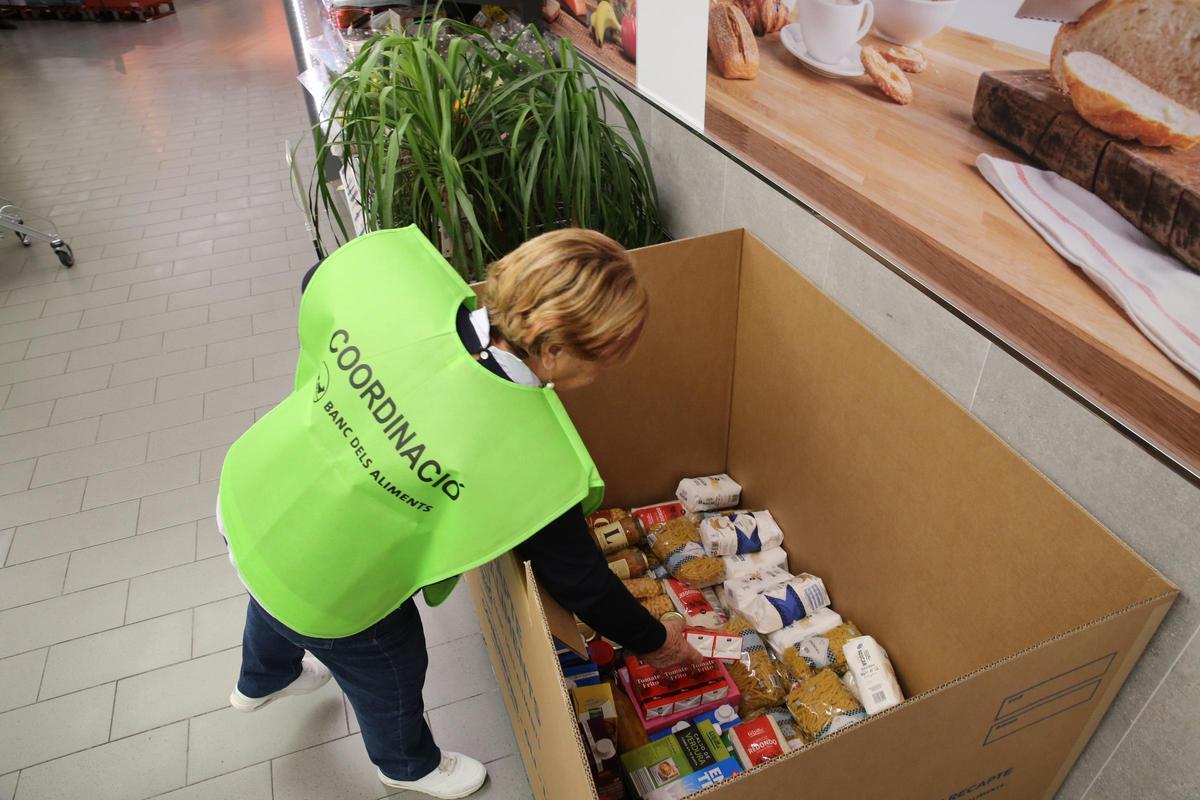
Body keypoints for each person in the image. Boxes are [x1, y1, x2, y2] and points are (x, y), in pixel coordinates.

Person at [216, 226, 700, 799]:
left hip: (254, 490)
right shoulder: (531, 456)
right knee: (390, 664)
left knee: (269, 581)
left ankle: (262, 679)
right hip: (331, 575)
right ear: (552, 349)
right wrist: (653, 639)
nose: (597, 379)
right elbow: (581, 582)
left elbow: (318, 281)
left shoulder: (400, 287)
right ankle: (406, 765)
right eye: (600, 363)